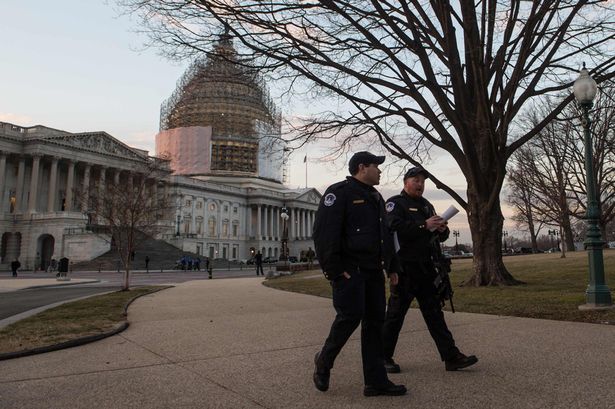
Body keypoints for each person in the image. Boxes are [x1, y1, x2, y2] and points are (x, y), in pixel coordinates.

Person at [312, 151, 406, 397]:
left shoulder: (375, 196)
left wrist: (392, 267)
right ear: (362, 167)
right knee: (349, 317)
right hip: (349, 271)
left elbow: (385, 235)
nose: (380, 171)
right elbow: (324, 234)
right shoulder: (339, 193)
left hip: (373, 270)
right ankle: (324, 361)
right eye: (377, 166)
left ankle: (375, 381)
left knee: (375, 324)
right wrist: (334, 270)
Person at [382, 166, 478, 374]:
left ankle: (451, 357)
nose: (420, 184)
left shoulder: (426, 205)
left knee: (435, 313)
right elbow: (394, 229)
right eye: (415, 180)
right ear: (405, 182)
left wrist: (442, 229)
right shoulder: (395, 204)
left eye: (422, 181)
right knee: (395, 315)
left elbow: (437, 236)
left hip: (426, 268)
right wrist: (423, 226)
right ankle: (383, 357)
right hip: (404, 268)